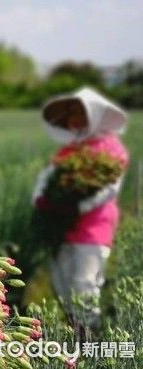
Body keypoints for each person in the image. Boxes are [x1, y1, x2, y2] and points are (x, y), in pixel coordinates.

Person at [31, 87, 129, 331]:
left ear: (94, 115)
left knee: (84, 285)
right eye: (72, 114)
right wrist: (43, 202)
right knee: (62, 285)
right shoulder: (68, 151)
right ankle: (78, 334)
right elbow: (45, 182)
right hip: (61, 229)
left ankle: (90, 343)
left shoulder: (111, 148)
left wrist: (75, 207)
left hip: (93, 229)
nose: (74, 120)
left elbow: (108, 188)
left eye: (80, 113)